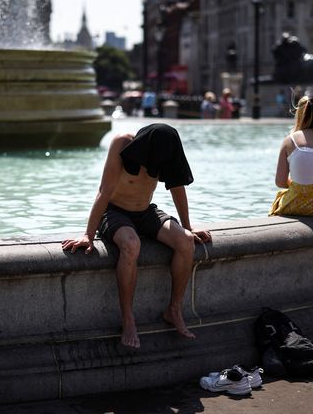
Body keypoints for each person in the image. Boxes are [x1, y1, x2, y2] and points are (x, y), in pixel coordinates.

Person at [61, 123, 212, 348]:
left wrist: (188, 226)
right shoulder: (122, 143)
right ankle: (128, 320)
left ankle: (173, 309)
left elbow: (177, 188)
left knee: (185, 241)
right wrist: (88, 235)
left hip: (146, 211)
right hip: (114, 212)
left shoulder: (166, 149)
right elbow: (104, 190)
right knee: (131, 245)